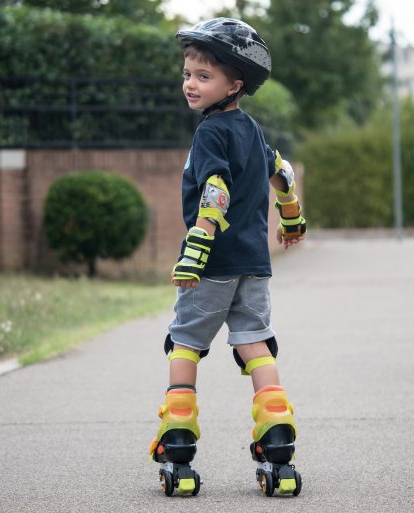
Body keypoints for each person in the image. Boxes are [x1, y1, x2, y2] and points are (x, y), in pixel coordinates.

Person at [148, 18, 306, 498]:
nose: (190, 84)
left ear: (234, 85)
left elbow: (213, 193)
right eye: (187, 73)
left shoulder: (211, 134)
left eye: (203, 76)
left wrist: (195, 253)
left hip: (212, 266)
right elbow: (281, 171)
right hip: (254, 264)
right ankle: (277, 441)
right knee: (256, 344)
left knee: (184, 345)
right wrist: (292, 217)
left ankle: (177, 443)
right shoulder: (252, 129)